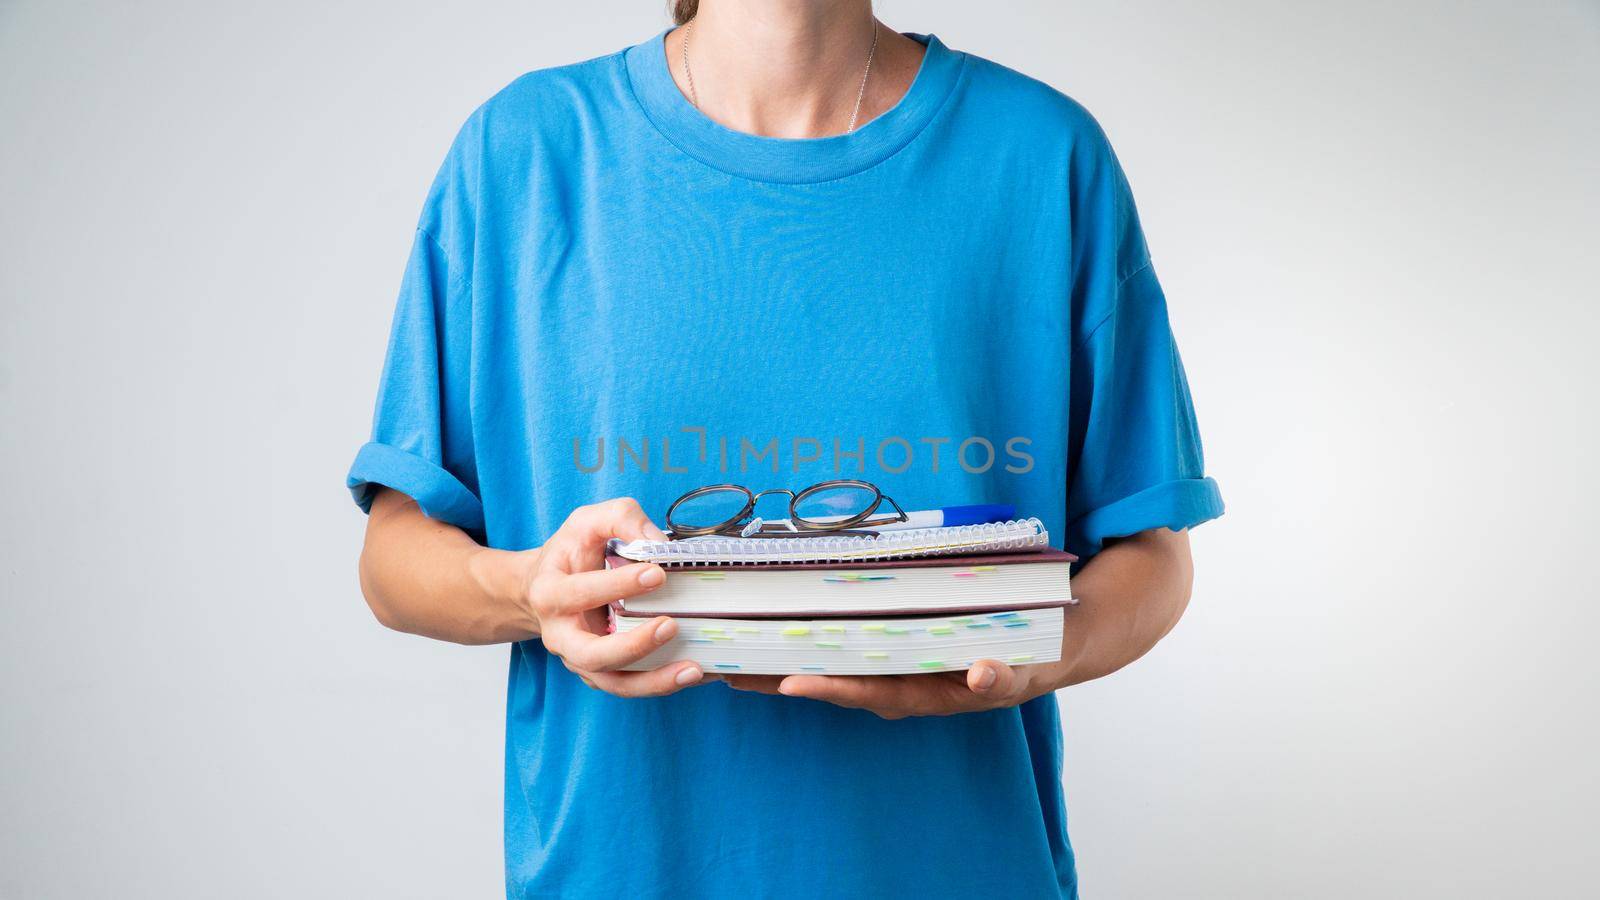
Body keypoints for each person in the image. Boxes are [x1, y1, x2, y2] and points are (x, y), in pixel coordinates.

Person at [349, 1, 1224, 896]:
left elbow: (1153, 552)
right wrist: (528, 589)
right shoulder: (523, 155)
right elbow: (394, 559)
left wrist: (1050, 648)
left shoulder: (1043, 155)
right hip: (621, 869)